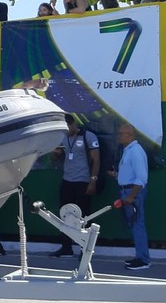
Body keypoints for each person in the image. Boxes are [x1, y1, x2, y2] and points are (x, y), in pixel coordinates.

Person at [48, 114, 101, 258]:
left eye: (67, 128)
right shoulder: (63, 138)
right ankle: (66, 248)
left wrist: (93, 180)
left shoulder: (88, 137)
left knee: (84, 216)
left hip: (83, 181)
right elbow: (55, 158)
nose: (66, 131)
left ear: (73, 124)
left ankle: (85, 250)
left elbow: (96, 160)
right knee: (65, 214)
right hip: (67, 181)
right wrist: (55, 153)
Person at [107, 123, 150, 270]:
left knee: (138, 225)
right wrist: (117, 176)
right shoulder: (128, 151)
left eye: (121, 134)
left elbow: (141, 178)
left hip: (133, 194)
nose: (119, 137)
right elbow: (131, 175)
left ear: (130, 135)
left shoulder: (135, 152)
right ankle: (140, 256)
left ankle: (144, 260)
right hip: (128, 191)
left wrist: (131, 196)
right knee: (134, 225)